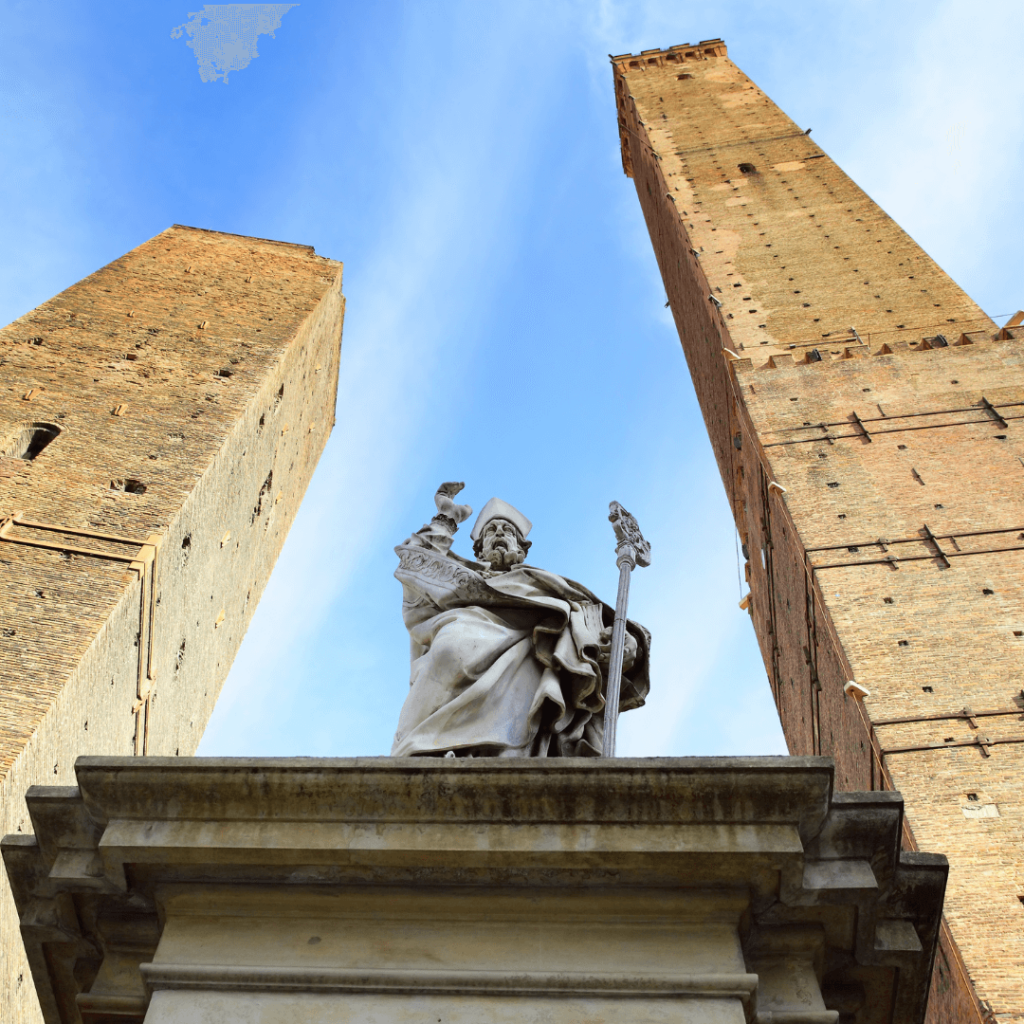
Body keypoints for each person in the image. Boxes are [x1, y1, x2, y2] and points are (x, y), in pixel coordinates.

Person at [391, 482, 650, 757]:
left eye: (508, 531)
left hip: (531, 652)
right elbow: (415, 567)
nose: (499, 534)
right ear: (479, 549)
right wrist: (445, 519)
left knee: (537, 652)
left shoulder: (545, 586)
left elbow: (586, 618)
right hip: (456, 642)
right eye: (491, 531)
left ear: (522, 547)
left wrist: (626, 641)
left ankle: (507, 755)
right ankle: (430, 749)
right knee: (450, 645)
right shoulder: (456, 579)